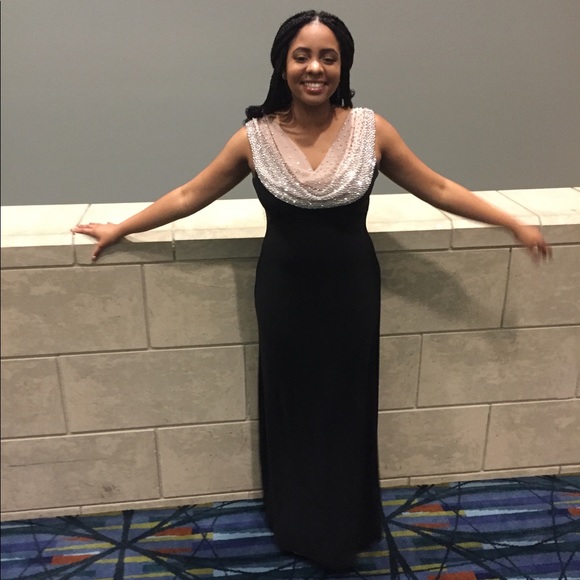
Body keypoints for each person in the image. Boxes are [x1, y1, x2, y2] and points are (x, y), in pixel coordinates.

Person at [73, 10, 551, 571]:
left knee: (347, 404)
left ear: (343, 66)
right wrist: (121, 228)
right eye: (302, 56)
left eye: (328, 57)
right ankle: (297, 520)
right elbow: (188, 195)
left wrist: (510, 222)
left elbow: (439, 187)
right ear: (283, 64)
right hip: (284, 297)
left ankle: (347, 524)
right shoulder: (255, 137)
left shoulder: (372, 130)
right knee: (293, 405)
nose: (315, 68)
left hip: (352, 294)